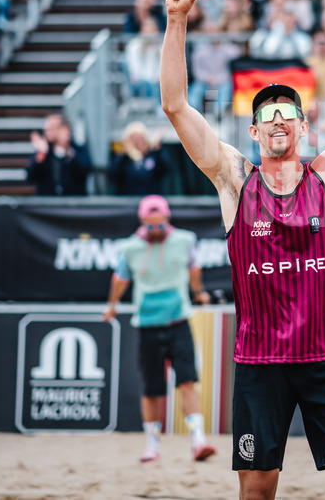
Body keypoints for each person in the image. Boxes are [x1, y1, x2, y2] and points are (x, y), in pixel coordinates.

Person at [160, 0, 325, 499]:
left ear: (303, 126)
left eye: (287, 112)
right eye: (266, 113)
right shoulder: (235, 179)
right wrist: (177, 22)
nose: (277, 117)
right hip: (259, 362)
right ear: (253, 132)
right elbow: (176, 106)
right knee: (256, 492)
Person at [101, 195, 216, 463]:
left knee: (187, 381)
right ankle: (152, 444)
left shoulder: (185, 240)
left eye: (159, 224)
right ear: (143, 222)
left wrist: (198, 292)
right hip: (147, 324)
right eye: (150, 225)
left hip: (178, 321)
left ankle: (198, 439)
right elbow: (120, 278)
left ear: (167, 219)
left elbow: (194, 267)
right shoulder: (130, 247)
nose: (155, 230)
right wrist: (112, 305)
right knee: (151, 389)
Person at [26, 113, 91, 196]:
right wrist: (41, 154)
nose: (47, 130)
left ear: (65, 128)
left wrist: (68, 152)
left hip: (74, 204)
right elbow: (30, 176)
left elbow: (85, 169)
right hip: (47, 204)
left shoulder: (77, 149)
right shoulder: (44, 151)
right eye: (47, 127)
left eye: (52, 127)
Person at [108, 122, 171, 196]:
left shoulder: (153, 155)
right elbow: (113, 176)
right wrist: (123, 155)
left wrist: (157, 149)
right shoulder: (123, 159)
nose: (137, 143)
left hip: (151, 201)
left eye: (140, 139)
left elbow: (165, 171)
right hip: (126, 202)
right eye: (133, 139)